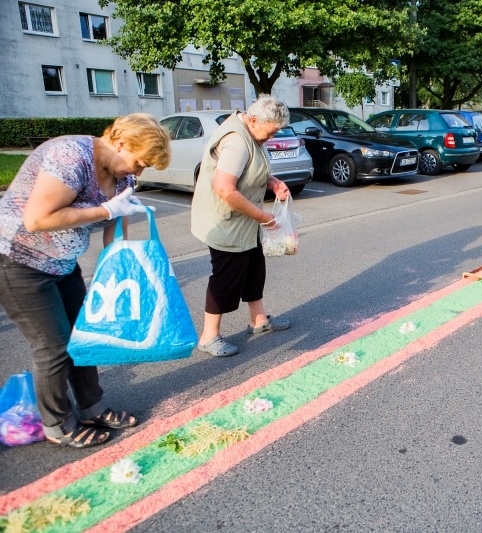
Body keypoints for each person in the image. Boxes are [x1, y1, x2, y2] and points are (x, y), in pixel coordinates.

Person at [0, 114, 170, 448]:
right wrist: (106, 210)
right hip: (18, 260)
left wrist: (119, 272)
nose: (138, 173)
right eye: (139, 162)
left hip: (63, 263)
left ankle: (92, 407)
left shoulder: (123, 177)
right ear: (121, 142)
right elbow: (38, 219)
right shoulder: (71, 156)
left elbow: (115, 228)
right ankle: (58, 425)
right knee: (54, 347)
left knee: (84, 336)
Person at [191, 95, 292, 357]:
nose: (271, 137)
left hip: (244, 219)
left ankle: (258, 320)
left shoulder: (253, 133)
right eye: (270, 132)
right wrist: (263, 217)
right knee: (226, 277)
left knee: (254, 269)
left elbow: (249, 169)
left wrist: (272, 182)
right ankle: (208, 337)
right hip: (226, 221)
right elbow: (225, 188)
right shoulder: (236, 141)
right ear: (254, 120)